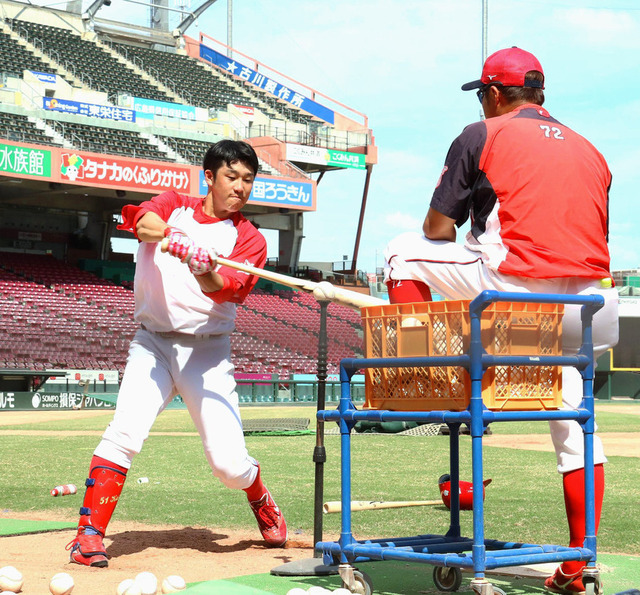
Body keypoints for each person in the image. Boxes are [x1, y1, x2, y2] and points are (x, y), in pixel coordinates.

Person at [383, 47, 618, 595]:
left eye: (484, 94)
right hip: (593, 310)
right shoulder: (593, 149)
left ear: (492, 92)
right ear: (539, 93)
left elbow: (437, 229)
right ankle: (577, 564)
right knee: (576, 427)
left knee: (401, 250)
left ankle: (422, 380)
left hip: (515, 292)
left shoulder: (481, 132)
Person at [66, 139, 287, 568]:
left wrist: (203, 266)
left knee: (227, 466)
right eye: (232, 177)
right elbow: (141, 223)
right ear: (210, 176)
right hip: (151, 343)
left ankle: (256, 489)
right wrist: (174, 235)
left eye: (248, 180)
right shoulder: (175, 204)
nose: (240, 187)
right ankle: (88, 536)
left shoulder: (250, 239)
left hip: (207, 352)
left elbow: (226, 293)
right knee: (125, 432)